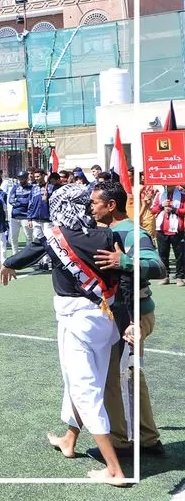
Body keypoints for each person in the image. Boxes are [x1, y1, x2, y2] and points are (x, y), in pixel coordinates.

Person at [0, 184, 127, 486]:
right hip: (105, 319)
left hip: (75, 321)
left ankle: (114, 469)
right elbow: (122, 277)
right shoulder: (109, 235)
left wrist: (7, 263)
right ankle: (70, 440)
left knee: (84, 389)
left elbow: (29, 253)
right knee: (81, 381)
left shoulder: (56, 236)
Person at [89, 179, 167, 460]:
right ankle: (146, 438)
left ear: (111, 205)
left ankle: (121, 443)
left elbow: (158, 267)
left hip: (135, 315)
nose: (91, 207)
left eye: (95, 202)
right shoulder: (102, 231)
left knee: (117, 375)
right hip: (117, 314)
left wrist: (123, 262)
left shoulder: (133, 233)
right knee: (129, 374)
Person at [152, 184, 185, 286]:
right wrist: (162, 205)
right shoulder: (159, 195)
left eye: (170, 184)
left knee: (180, 255)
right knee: (162, 255)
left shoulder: (182, 195)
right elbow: (153, 210)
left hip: (177, 230)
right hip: (161, 229)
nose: (167, 186)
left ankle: (180, 277)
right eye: (165, 184)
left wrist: (174, 210)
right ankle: (165, 276)